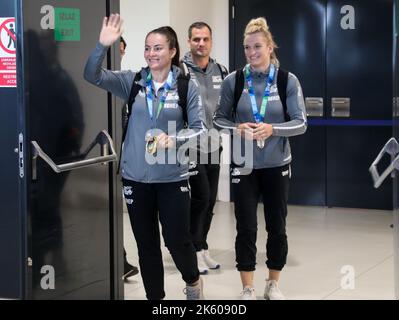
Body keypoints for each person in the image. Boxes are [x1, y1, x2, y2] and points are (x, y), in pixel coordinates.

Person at [84, 14, 206, 300]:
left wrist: (173, 139)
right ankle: (156, 300)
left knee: (176, 241)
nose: (151, 53)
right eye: (147, 48)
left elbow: (200, 131)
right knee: (146, 245)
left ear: (173, 51)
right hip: (135, 178)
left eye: (158, 48)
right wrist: (102, 45)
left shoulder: (186, 86)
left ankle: (192, 281)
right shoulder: (133, 82)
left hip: (172, 177)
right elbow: (92, 75)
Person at [213, 17, 307, 300]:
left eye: (257, 46)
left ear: (270, 47)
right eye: (247, 48)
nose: (252, 52)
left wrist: (273, 128)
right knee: (245, 226)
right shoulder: (234, 80)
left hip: (277, 164)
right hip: (244, 164)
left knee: (276, 225)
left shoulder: (286, 80)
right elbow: (218, 120)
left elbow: (301, 122)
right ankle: (247, 287)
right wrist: (236, 127)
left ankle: (273, 283)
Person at [180, 22, 228, 274]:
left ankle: (202, 246)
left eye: (205, 39)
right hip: (189, 146)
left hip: (213, 145)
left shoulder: (220, 70)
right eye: (196, 39)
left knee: (209, 201)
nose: (201, 43)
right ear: (189, 41)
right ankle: (192, 251)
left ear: (211, 41)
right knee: (200, 198)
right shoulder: (180, 71)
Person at [118, 35, 140, 280]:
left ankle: (120, 262)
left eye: (123, 50)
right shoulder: (110, 81)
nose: (120, 54)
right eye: (117, 49)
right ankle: (120, 262)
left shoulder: (128, 81)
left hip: (121, 157)